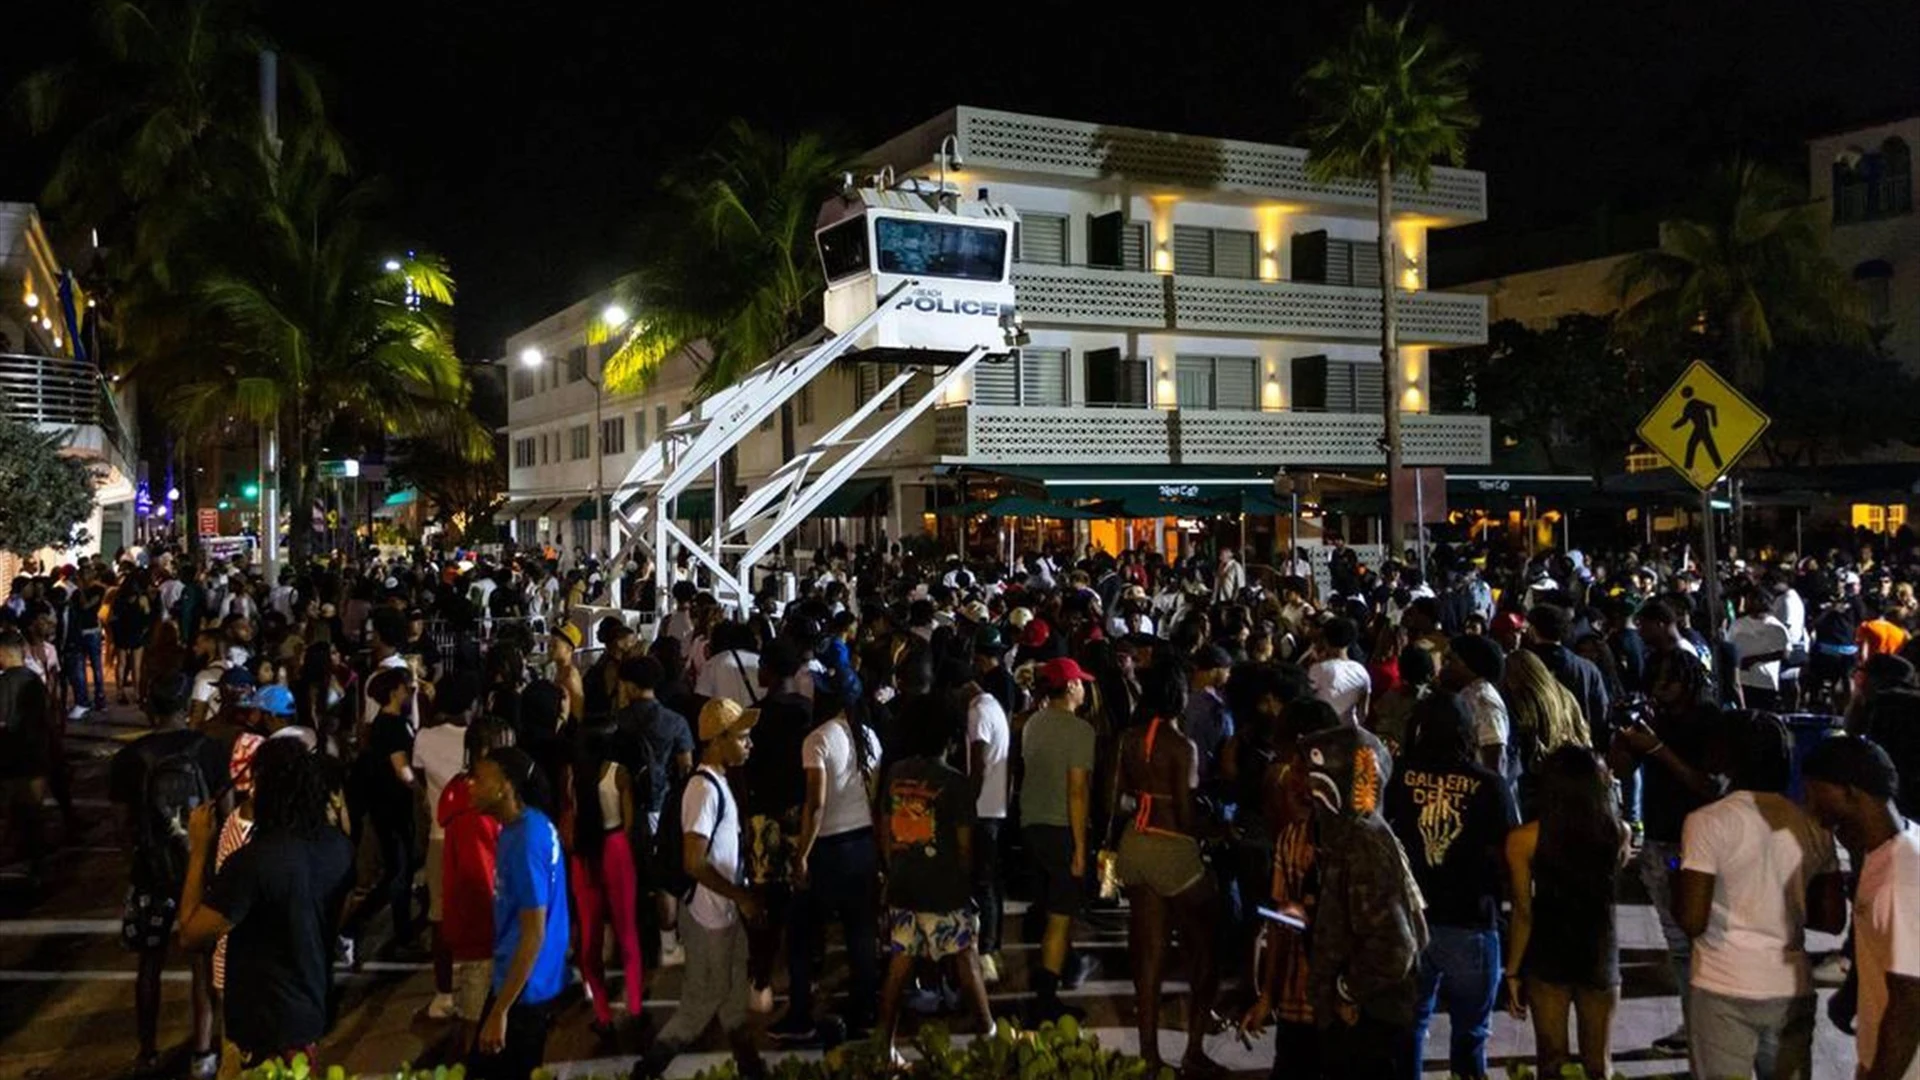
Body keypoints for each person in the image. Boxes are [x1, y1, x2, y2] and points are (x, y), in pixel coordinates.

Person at [1677, 710, 1845, 1080]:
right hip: (1790, 984)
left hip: (1722, 983)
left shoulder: (1707, 821)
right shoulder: (1812, 825)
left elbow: (1691, 918)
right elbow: (1833, 920)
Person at [178, 738, 354, 1073]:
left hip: (262, 1026)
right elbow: (340, 913)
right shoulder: (338, 848)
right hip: (311, 1009)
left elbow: (191, 934)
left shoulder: (253, 862)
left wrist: (198, 849)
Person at [632, 699, 767, 1080]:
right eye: (742, 737)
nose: (749, 744)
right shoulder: (704, 790)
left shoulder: (720, 782)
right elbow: (694, 861)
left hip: (723, 913)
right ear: (718, 740)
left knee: (733, 1004)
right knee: (699, 1006)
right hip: (710, 916)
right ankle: (648, 1070)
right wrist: (739, 895)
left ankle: (750, 1067)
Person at [1386, 694, 1515, 1080]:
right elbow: (1508, 852)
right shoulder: (1489, 784)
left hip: (1411, 918)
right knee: (1471, 1033)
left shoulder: (1397, 775)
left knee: (1409, 1027)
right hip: (1471, 919)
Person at [109, 672, 226, 1078]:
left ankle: (146, 1051)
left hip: (151, 872)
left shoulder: (129, 758)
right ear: (184, 705)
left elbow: (122, 824)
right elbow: (224, 808)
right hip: (199, 865)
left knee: (149, 962)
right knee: (200, 962)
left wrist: (138, 860)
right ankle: (202, 1051)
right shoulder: (207, 749)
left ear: (148, 707)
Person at [1113, 659, 1224, 1077]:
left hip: (1135, 847)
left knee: (1148, 957)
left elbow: (1119, 798)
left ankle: (1149, 1056)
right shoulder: (1183, 747)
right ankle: (1193, 1052)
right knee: (1208, 950)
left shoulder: (1128, 739)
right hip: (1171, 849)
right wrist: (1218, 830)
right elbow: (1185, 816)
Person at [1301, 721, 1426, 1078]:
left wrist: (1347, 990)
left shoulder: (1363, 843)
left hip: (1370, 1019)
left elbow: (1397, 945)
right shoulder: (1357, 835)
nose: (1307, 784)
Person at [873, 696, 994, 1064]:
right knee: (965, 958)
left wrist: (894, 866)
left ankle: (884, 1043)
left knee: (900, 962)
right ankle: (988, 1033)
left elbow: (884, 826)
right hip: (944, 889)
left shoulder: (896, 773)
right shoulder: (954, 783)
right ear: (951, 738)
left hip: (904, 884)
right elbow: (963, 847)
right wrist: (964, 881)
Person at [1506, 745, 1630, 1080]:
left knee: (1551, 1061)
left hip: (1549, 948)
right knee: (1598, 1064)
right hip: (1599, 947)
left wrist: (1513, 970)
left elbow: (1522, 911)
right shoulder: (1618, 832)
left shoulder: (1524, 839)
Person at [1800, 736, 1920, 1080]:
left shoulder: (1902, 878)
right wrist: (1853, 994)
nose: (1811, 806)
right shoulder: (1888, 848)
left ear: (1850, 792)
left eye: (1815, 792)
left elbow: (1910, 1002)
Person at [779, 669, 885, 1040]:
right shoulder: (869, 737)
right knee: (860, 933)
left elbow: (816, 803)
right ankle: (866, 1011)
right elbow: (873, 798)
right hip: (863, 843)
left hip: (828, 847)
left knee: (801, 934)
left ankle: (800, 1014)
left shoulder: (818, 739)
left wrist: (801, 855)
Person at [466, 747, 570, 1080]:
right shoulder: (531, 825)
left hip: (522, 989)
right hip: (529, 982)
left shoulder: (525, 840)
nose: (471, 785)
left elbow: (534, 931)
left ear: (504, 786)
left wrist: (500, 1011)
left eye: (479, 778)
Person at [1019, 656, 1099, 1022]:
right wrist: (1081, 848)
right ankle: (1046, 1000)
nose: (1084, 687)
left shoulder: (1033, 723)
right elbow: (1078, 793)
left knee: (1051, 907)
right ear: (1069, 687)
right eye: (1080, 682)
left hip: (1031, 824)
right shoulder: (1079, 731)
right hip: (1060, 827)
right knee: (1060, 915)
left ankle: (1062, 967)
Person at [439, 719, 514, 1049]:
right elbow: (478, 873)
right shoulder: (478, 804)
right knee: (481, 1014)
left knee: (477, 1009)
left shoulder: (458, 793)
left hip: (475, 919)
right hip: (486, 921)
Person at [414, 671, 483, 1020]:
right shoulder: (479, 740)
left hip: (440, 837)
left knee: (439, 917)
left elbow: (417, 779)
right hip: (481, 837)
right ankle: (477, 982)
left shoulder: (424, 739)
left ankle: (443, 993)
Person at [961, 651, 1011, 984]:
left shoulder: (977, 712)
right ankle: (993, 951)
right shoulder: (992, 706)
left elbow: (977, 763)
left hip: (982, 810)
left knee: (982, 884)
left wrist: (966, 800)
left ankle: (987, 955)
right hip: (995, 806)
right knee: (991, 883)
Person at [1730, 590, 1792, 712]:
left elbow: (1785, 654)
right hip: (1743, 682)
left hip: (1765, 682)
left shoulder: (1777, 628)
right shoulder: (1738, 624)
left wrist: (1754, 660)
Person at [1308, 617, 1371, 725]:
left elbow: (1307, 699)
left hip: (1322, 728)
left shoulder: (1319, 669)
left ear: (1326, 640)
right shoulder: (1362, 671)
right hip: (1348, 729)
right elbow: (1363, 712)